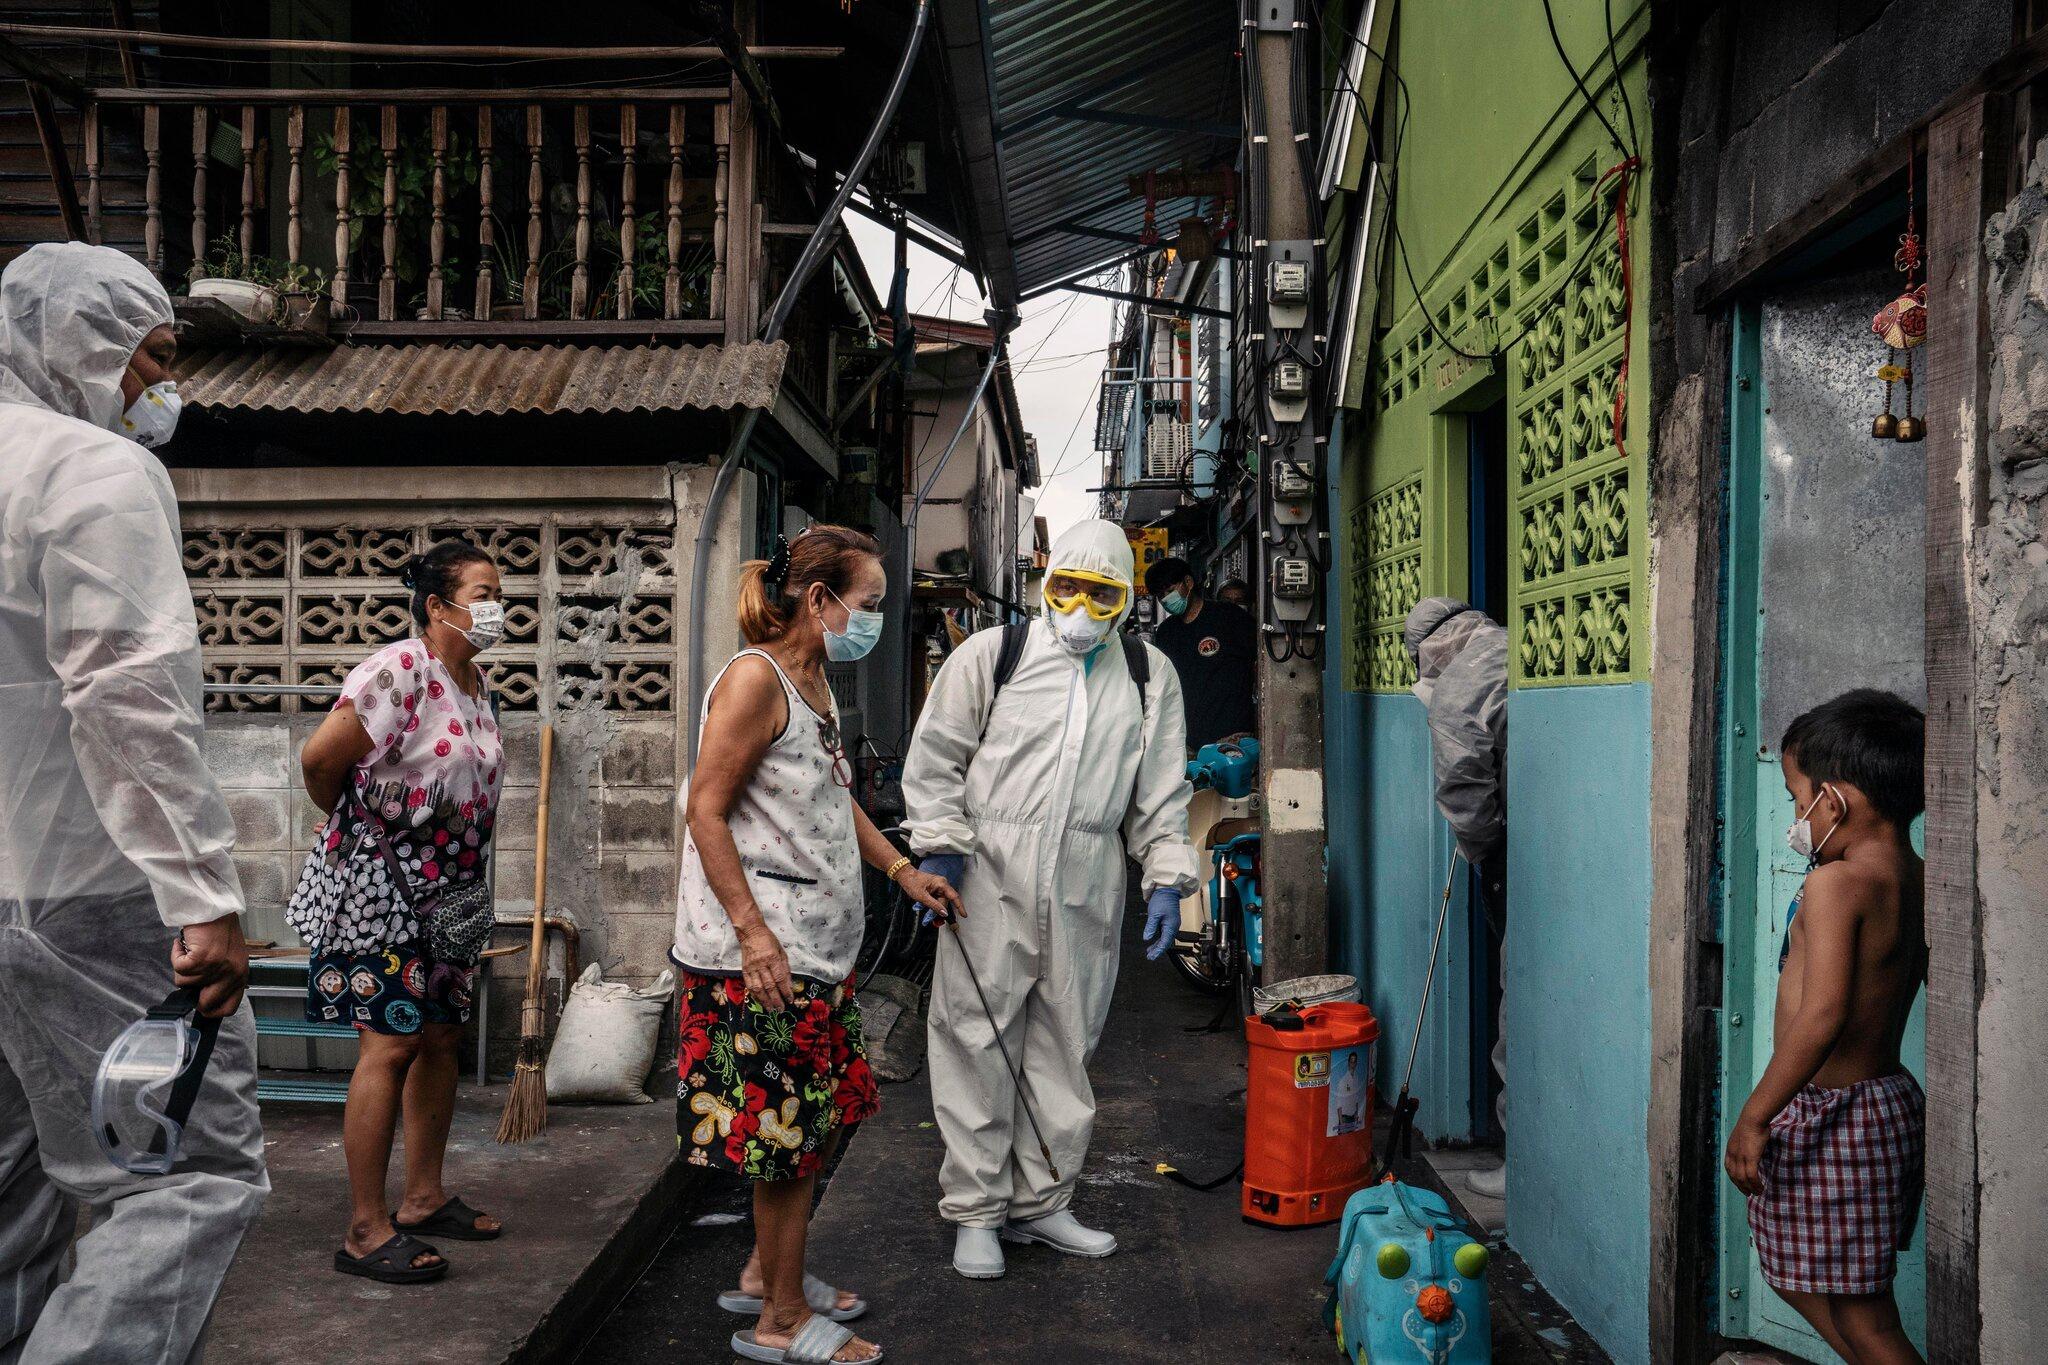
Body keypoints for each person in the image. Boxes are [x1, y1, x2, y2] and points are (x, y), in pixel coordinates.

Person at [0, 241, 268, 1361]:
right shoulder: (91, 472)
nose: (159, 390)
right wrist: (201, 897)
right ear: (83, 344)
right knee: (185, 1174)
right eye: (150, 358)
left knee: (11, 1179)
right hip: (88, 897)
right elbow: (129, 695)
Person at [676, 526, 959, 1365]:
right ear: (820, 598)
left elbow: (836, 805)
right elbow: (704, 808)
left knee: (822, 1119)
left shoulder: (814, 681)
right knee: (787, 1139)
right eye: (868, 603)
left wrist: (903, 870)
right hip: (761, 961)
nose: (873, 618)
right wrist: (752, 931)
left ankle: (770, 1272)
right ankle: (783, 1319)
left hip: (817, 954)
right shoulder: (754, 682)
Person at [903, 519, 1197, 1280]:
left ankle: (1043, 1201)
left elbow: (1160, 790)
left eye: (1102, 594)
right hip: (987, 872)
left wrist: (1165, 873)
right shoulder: (992, 655)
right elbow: (936, 755)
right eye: (1067, 587)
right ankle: (976, 1211)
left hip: (1086, 873)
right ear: (1045, 583)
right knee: (975, 1035)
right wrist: (938, 843)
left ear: (1126, 599)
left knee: (1067, 1041)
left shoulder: (1146, 672)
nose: (1080, 608)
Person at [292, 540, 508, 1283]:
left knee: (441, 1036)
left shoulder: (476, 681)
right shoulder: (398, 671)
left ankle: (422, 1197)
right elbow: (321, 759)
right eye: (483, 592)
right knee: (389, 1043)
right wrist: (361, 830)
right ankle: (363, 1227)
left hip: (455, 890)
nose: (496, 607)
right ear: (438, 604)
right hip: (383, 888)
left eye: (498, 593)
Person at [1725, 690, 1926, 1365]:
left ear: (1833, 801)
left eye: (1794, 795)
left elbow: (1823, 1015)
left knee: (1866, 1316)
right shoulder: (1916, 876)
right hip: (1883, 1102)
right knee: (1832, 1289)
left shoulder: (1836, 884)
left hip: (1834, 1115)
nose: (1794, 814)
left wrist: (1755, 1115)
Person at [1404, 596, 1509, 1199]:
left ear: (1431, 647)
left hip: (1510, 851)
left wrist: (1480, 848)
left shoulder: (1457, 687)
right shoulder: (1511, 648)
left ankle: (1521, 1158)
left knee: (1517, 997)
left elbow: (1463, 784)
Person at [1143, 556, 1257, 752]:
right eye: (1161, 596)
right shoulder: (1166, 633)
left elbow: (1259, 666)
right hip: (1188, 743)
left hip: (1233, 739)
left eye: (1170, 591)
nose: (1166, 599)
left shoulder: (1230, 617)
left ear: (1188, 582)